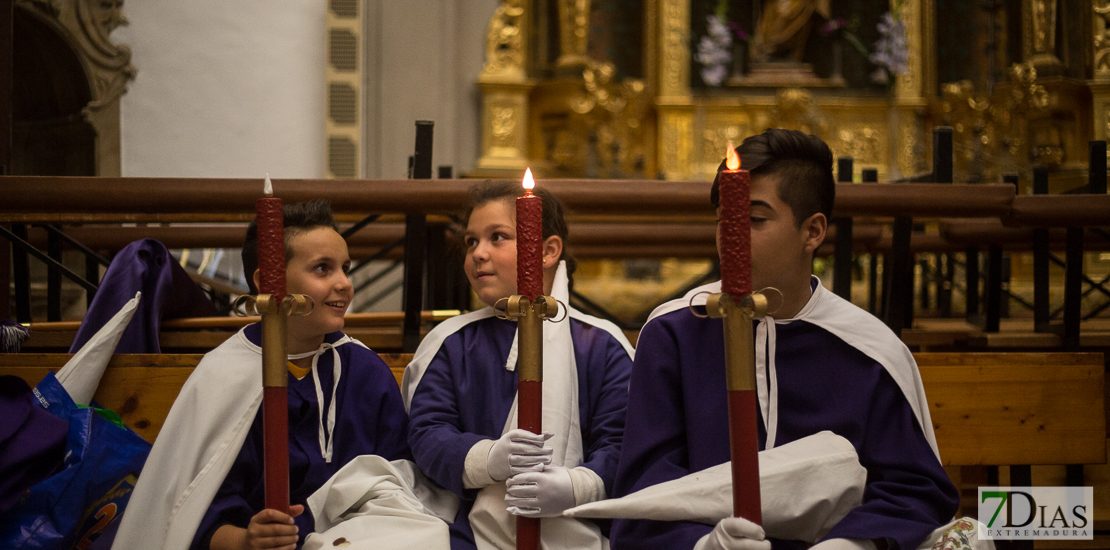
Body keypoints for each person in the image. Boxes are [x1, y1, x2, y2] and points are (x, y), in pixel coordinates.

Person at [610, 129, 959, 550]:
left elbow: (914, 491)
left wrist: (852, 544)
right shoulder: (675, 335)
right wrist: (704, 545)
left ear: (812, 231)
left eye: (754, 220)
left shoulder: (869, 350)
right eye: (724, 220)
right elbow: (643, 491)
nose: (730, 237)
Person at [112, 199, 411, 550]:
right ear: (268, 281)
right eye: (322, 269)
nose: (344, 283)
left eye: (345, 267)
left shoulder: (365, 371)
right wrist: (247, 540)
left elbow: (399, 478)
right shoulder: (223, 375)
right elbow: (188, 509)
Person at [403, 180, 635, 550]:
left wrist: (579, 486)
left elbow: (625, 441)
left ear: (548, 251)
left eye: (497, 237)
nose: (478, 253)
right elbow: (428, 433)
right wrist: (488, 459)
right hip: (465, 533)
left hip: (587, 527)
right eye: (471, 241)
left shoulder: (601, 345)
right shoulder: (451, 342)